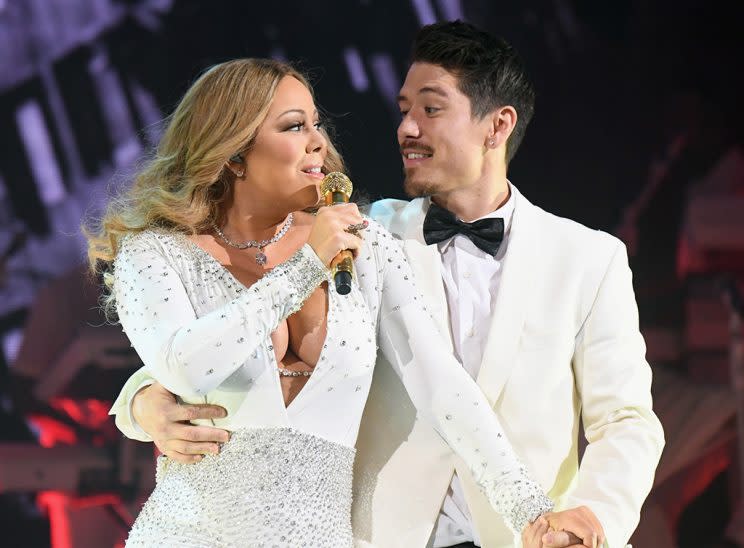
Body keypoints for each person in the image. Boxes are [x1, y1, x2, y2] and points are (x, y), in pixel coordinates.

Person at [114, 21, 665, 548]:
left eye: (430, 109)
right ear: (233, 151)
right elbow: (190, 351)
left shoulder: (587, 259)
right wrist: (142, 404)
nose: (406, 127)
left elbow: (608, 418)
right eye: (404, 110)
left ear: (497, 125)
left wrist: (551, 518)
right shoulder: (360, 230)